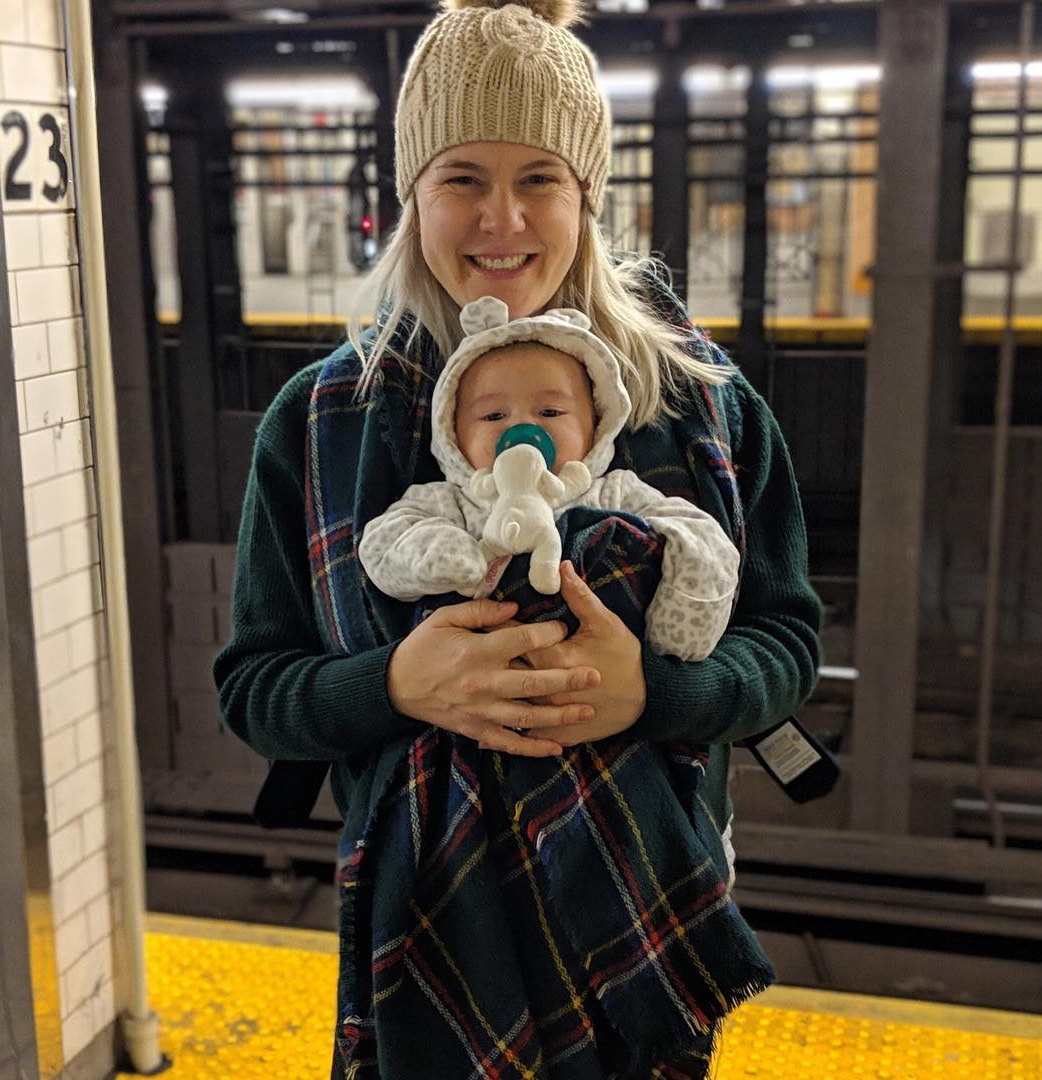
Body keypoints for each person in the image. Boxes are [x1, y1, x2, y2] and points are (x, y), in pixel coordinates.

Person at [213, 0, 822, 1074]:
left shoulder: (702, 407)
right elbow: (255, 688)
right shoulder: (319, 425)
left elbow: (785, 644)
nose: (503, 221)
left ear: (589, 197)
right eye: (462, 179)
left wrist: (660, 695)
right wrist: (396, 685)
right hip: (424, 914)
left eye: (540, 178)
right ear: (412, 194)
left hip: (652, 906)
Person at [358, 295, 740, 665]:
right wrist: (444, 554)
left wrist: (678, 632)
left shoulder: (613, 492)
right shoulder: (452, 501)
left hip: (599, 682)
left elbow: (699, 535)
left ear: (596, 428)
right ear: (452, 436)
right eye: (493, 416)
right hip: (468, 690)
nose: (523, 427)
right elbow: (382, 543)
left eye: (550, 411)